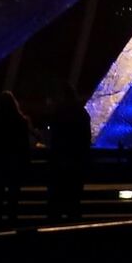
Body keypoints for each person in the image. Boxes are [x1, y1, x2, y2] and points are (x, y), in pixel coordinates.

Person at [0, 90, 31, 230]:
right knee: (13, 196)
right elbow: (24, 145)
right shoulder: (21, 121)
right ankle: (12, 221)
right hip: (15, 164)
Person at [46, 83, 91, 222]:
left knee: (57, 196)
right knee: (74, 197)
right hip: (76, 159)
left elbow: (54, 136)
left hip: (60, 159)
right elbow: (86, 137)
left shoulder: (58, 113)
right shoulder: (82, 113)